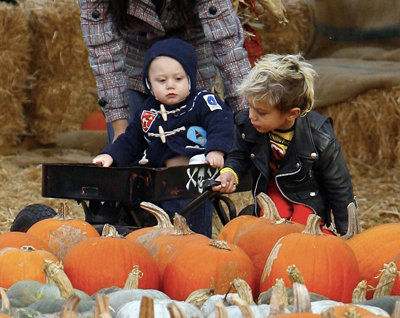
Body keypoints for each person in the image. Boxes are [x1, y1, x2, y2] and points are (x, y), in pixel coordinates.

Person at [92, 38, 234, 237]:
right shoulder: (148, 110)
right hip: (157, 180)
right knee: (135, 193)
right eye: (161, 81)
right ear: (149, 84)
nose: (170, 86)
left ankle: (194, 240)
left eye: (178, 79)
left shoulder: (202, 102)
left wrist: (216, 149)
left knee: (189, 211)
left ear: (190, 79)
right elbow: (131, 139)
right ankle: (129, 228)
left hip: (190, 178)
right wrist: (111, 155)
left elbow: (221, 123)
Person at [212, 53, 356, 235]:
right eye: (250, 107)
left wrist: (348, 235)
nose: (251, 116)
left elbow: (339, 187)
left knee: (302, 233)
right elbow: (238, 155)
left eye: (261, 112)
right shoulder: (248, 125)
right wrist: (229, 172)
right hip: (272, 192)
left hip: (307, 197)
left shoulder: (320, 138)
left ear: (292, 114)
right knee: (272, 229)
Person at [78, 0, 251, 143]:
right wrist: (120, 129)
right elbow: (104, 52)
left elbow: (227, 47)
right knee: (127, 153)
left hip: (191, 57)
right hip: (134, 61)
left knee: (198, 148)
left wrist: (246, 116)